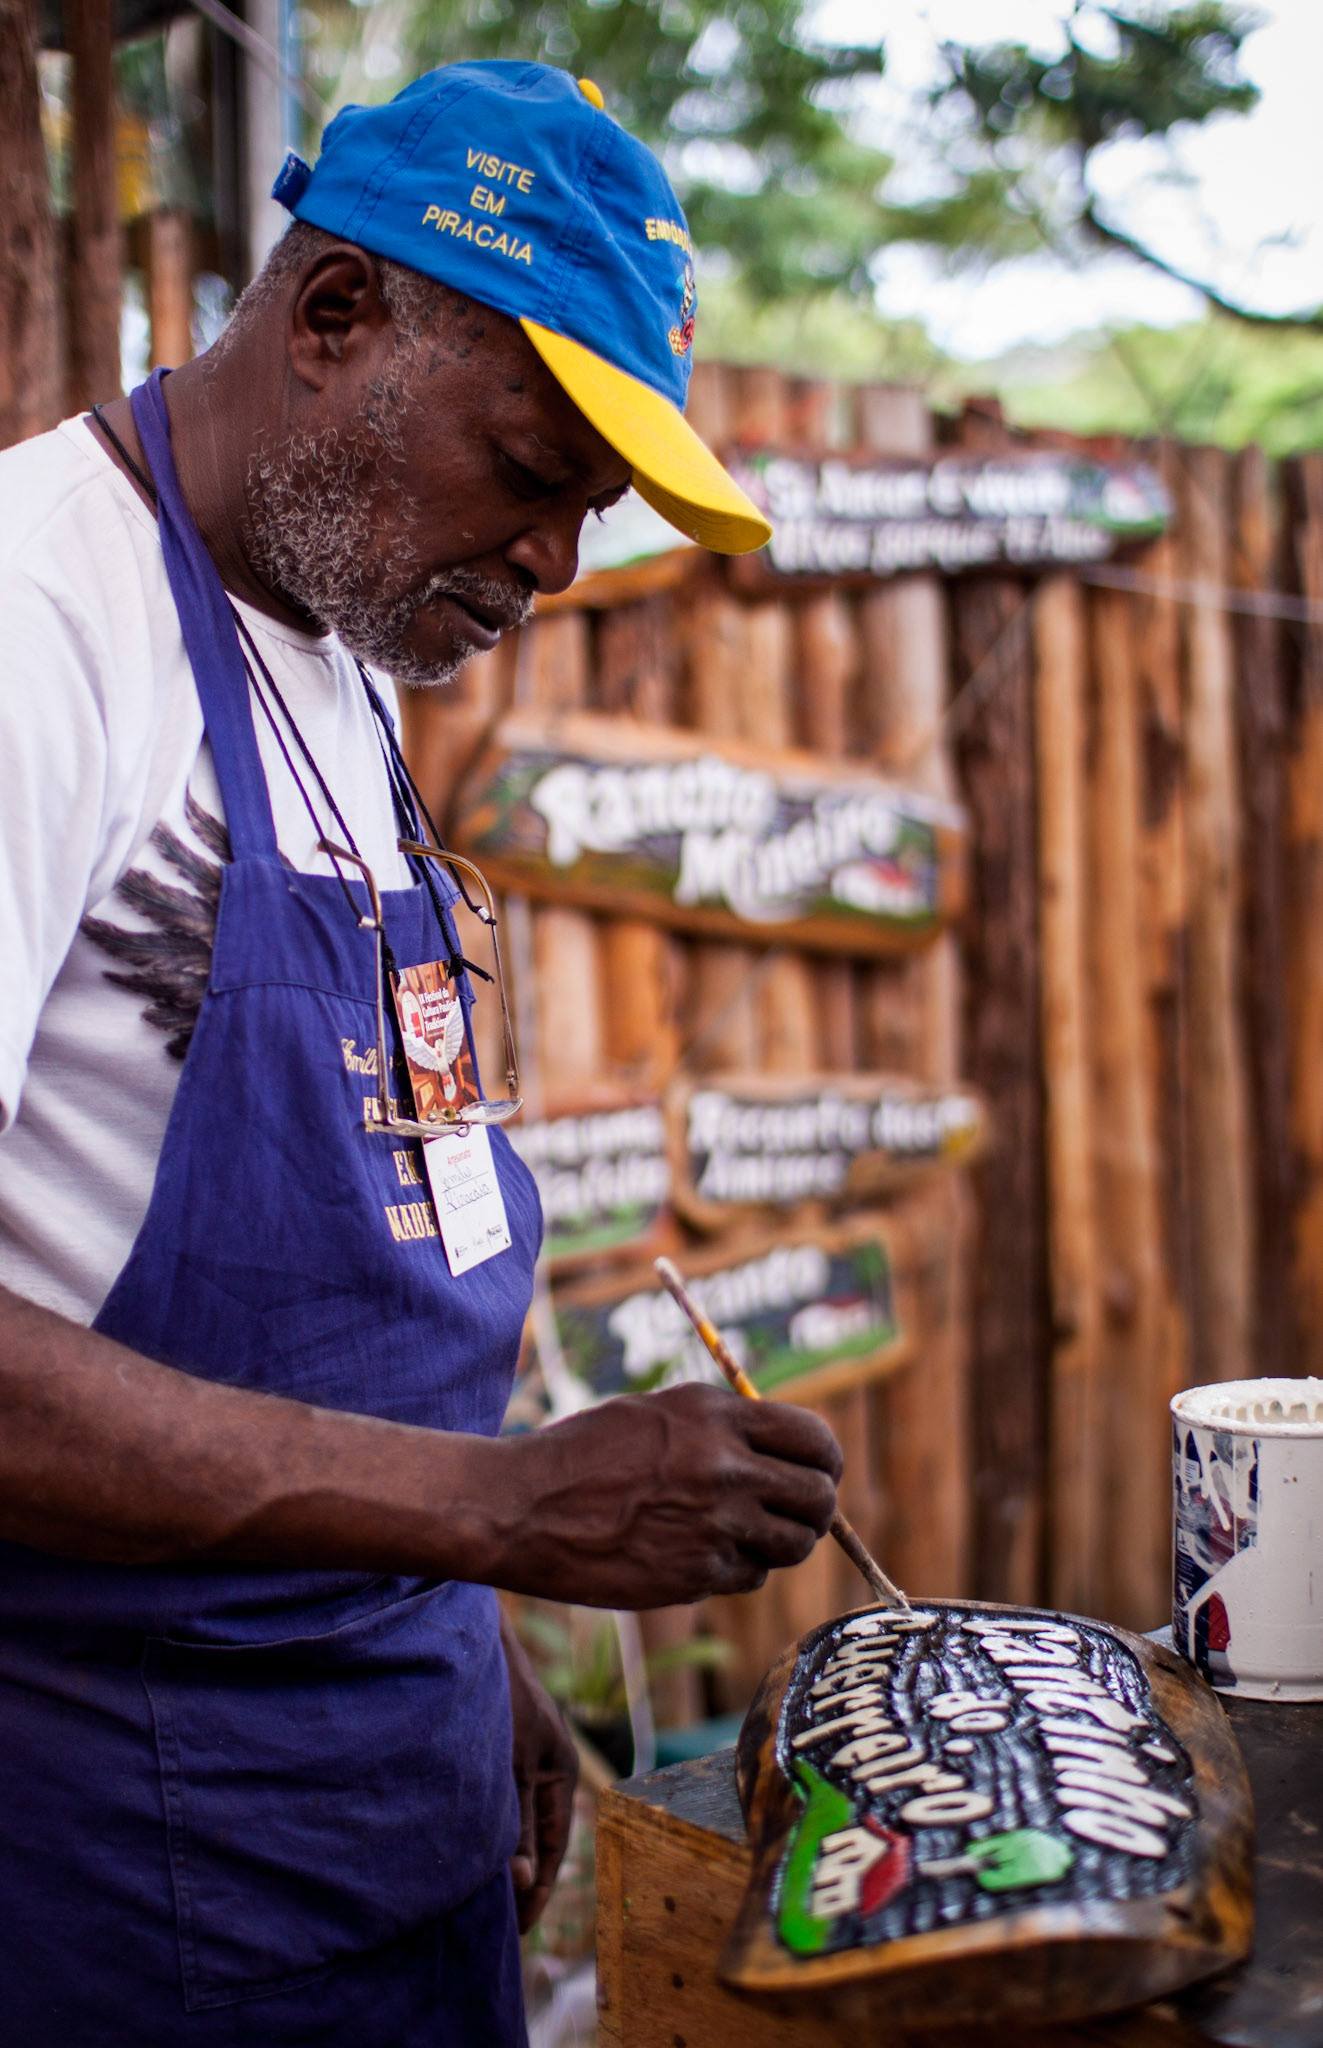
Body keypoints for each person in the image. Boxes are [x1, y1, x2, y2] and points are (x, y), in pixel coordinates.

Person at [0, 58, 843, 2046]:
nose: (553, 561)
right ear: (332, 319)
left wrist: (468, 1639)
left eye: (592, 507)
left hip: (388, 1777)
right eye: (532, 464)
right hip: (129, 1843)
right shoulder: (38, 625)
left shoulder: (329, 627)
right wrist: (489, 1512)